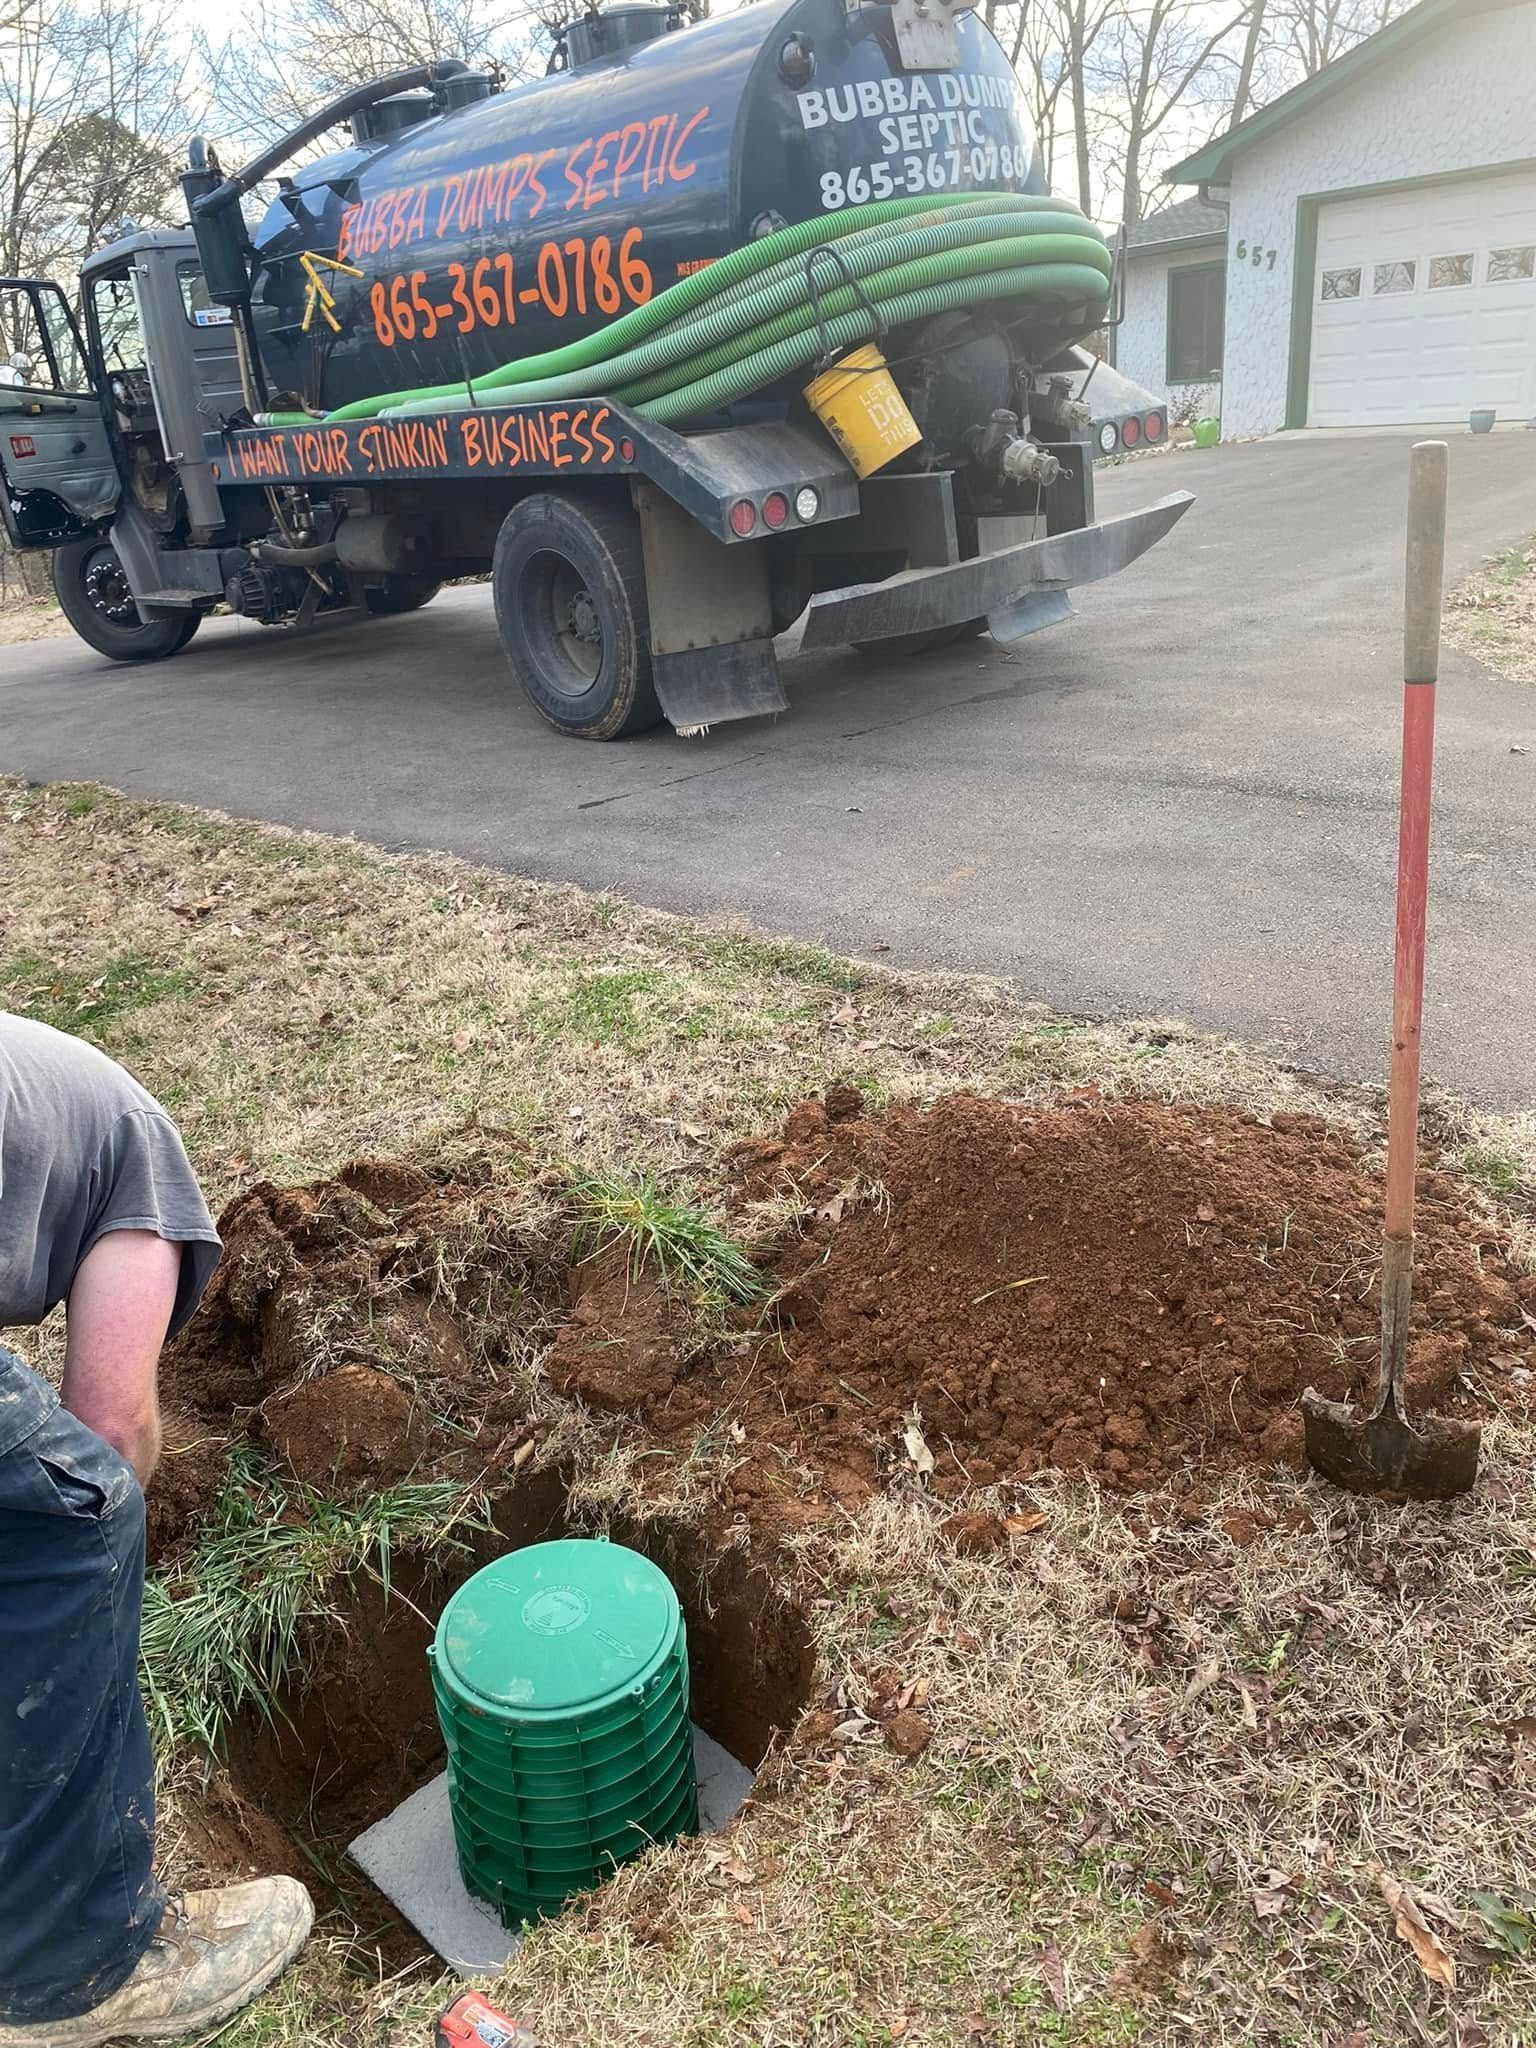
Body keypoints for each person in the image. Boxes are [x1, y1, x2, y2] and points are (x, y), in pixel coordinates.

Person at [0, 1012, 313, 2045]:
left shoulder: (57, 1100)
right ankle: (73, 1968)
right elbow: (112, 1422)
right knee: (74, 1520)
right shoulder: (148, 1166)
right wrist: (102, 1595)